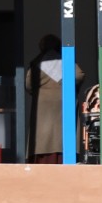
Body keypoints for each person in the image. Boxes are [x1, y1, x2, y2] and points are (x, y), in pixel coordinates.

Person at [28, 34, 69, 163]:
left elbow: (28, 84)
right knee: (60, 139)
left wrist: (39, 93)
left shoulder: (37, 62)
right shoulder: (65, 61)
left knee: (41, 140)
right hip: (62, 105)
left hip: (41, 106)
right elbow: (79, 75)